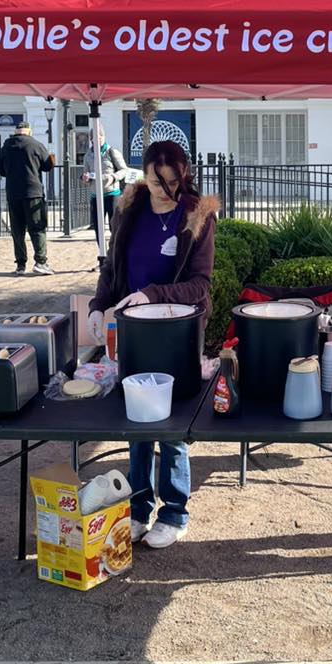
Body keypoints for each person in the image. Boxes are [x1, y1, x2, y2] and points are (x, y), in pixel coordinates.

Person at [88, 140, 217, 549]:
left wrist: (152, 294)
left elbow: (200, 285)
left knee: (171, 424)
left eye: (170, 183)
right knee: (138, 422)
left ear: (184, 177)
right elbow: (112, 265)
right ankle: (140, 508)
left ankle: (175, 512)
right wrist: (98, 305)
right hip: (134, 330)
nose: (162, 191)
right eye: (154, 181)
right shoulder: (128, 208)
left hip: (178, 332)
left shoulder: (197, 215)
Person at [0, 119, 56, 275]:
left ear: (16, 131)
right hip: (33, 192)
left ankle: (20, 265)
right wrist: (51, 156)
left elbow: (1, 171)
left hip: (13, 193)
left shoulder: (5, 147)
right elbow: (48, 166)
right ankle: (40, 262)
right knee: (37, 228)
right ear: (29, 131)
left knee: (17, 230)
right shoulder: (36, 144)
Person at [81, 122, 131, 236]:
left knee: (115, 227)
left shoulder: (112, 152)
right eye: (93, 139)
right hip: (95, 195)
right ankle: (102, 251)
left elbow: (124, 170)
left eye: (99, 138)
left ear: (103, 137)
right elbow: (86, 172)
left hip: (112, 194)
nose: (96, 141)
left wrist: (113, 177)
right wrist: (85, 178)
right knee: (98, 229)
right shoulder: (88, 155)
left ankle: (115, 251)